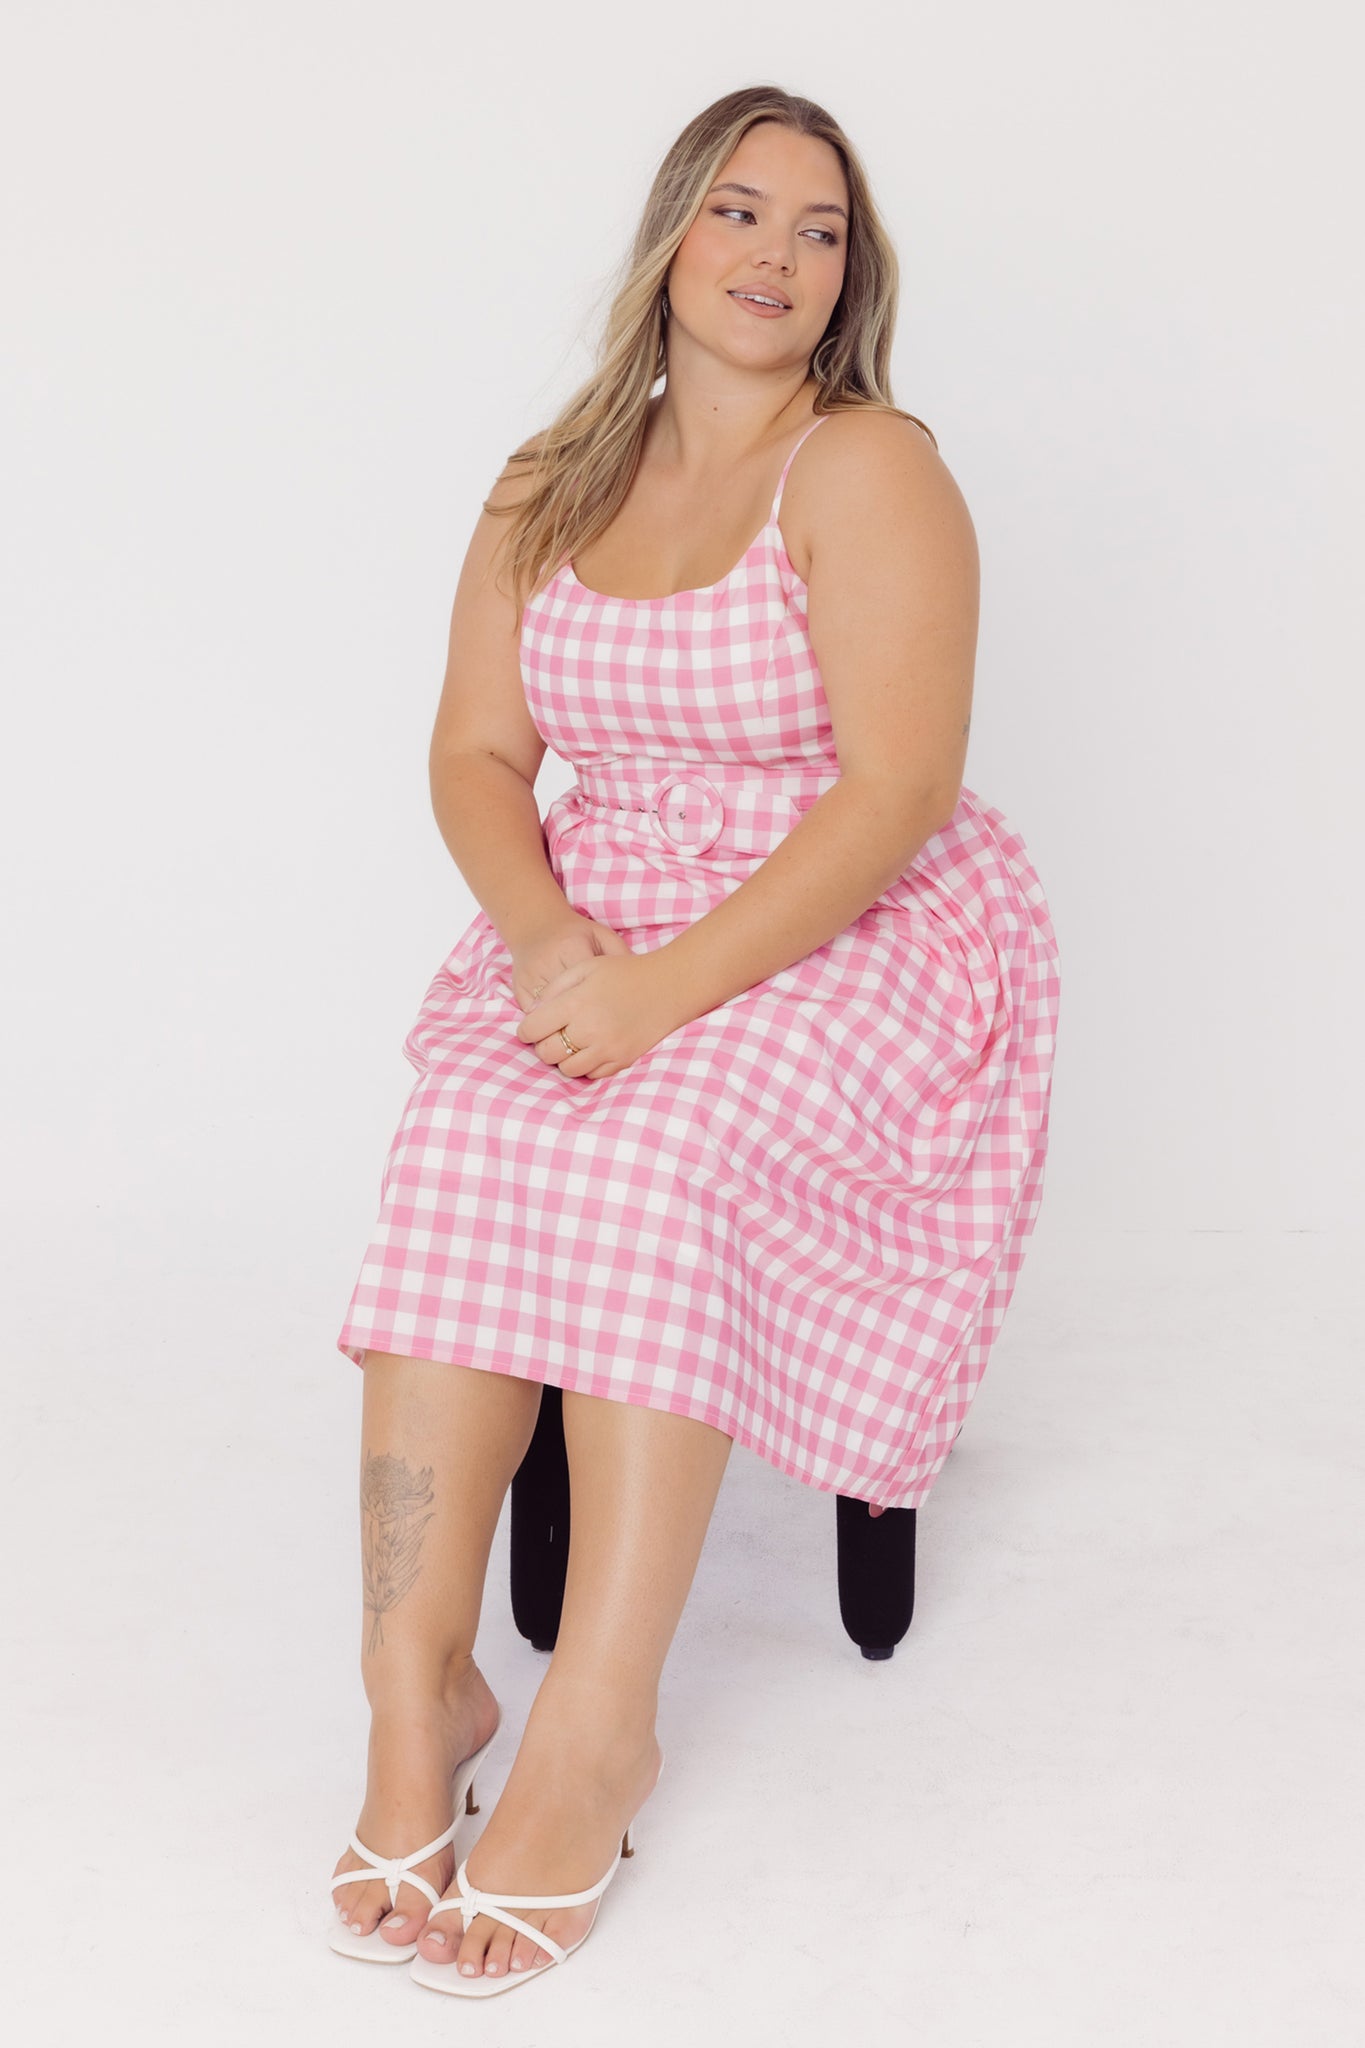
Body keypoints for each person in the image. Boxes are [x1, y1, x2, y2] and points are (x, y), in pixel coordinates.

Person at [326, 84, 1061, 1997]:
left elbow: (895, 795)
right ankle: (419, 1697)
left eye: (818, 231)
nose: (773, 256)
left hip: (846, 923)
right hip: (596, 915)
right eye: (739, 212)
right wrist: (559, 944)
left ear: (848, 279)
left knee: (658, 1146)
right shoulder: (548, 479)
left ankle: (596, 1727)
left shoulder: (865, 468)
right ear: (670, 236)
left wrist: (661, 993)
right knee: (465, 1136)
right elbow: (476, 756)